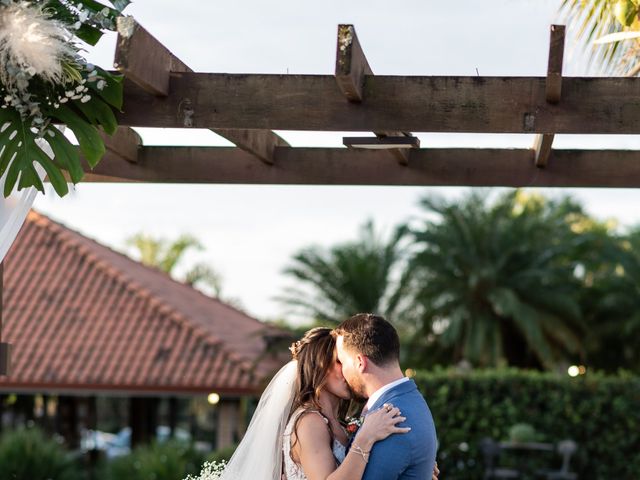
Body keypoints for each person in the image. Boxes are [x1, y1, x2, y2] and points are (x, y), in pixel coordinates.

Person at [219, 326, 439, 480]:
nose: (345, 369)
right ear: (319, 367)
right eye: (338, 361)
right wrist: (365, 437)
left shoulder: (339, 423)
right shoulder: (309, 422)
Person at [334, 313, 438, 480]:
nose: (341, 371)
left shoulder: (393, 418)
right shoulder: (408, 399)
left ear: (360, 362)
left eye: (342, 362)